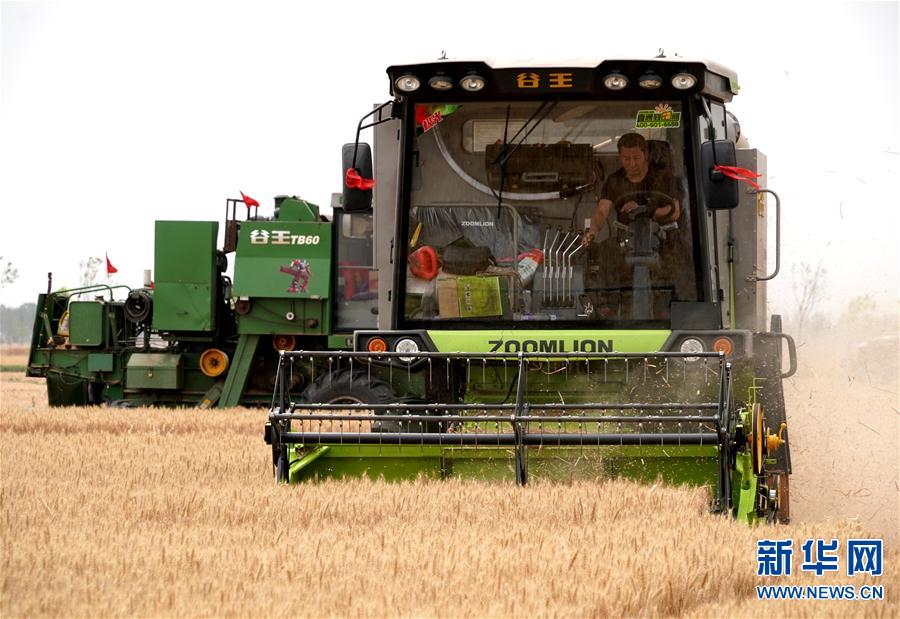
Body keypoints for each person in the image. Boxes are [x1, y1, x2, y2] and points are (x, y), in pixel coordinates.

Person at [582, 133, 680, 245]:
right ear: (619, 157)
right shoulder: (614, 181)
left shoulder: (663, 177)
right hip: (627, 242)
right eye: (626, 159)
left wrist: (643, 210)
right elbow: (601, 211)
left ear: (646, 155)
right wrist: (593, 231)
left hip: (662, 240)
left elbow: (675, 212)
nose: (632, 164)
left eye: (636, 158)